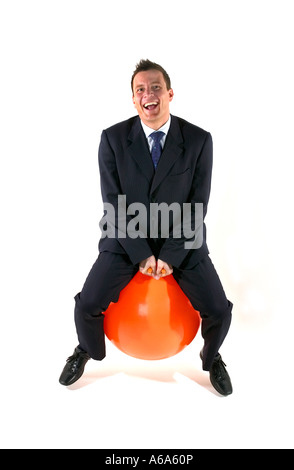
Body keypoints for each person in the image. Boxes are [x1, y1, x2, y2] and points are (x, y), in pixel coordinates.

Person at [59, 59, 233, 396]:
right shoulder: (112, 139)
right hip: (125, 238)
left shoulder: (198, 140)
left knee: (219, 309)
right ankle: (87, 349)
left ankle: (212, 359)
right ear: (134, 99)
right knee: (87, 304)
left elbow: (197, 205)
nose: (147, 94)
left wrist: (169, 254)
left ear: (169, 93)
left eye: (155, 87)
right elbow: (114, 203)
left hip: (183, 237)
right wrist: (140, 254)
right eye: (140, 90)